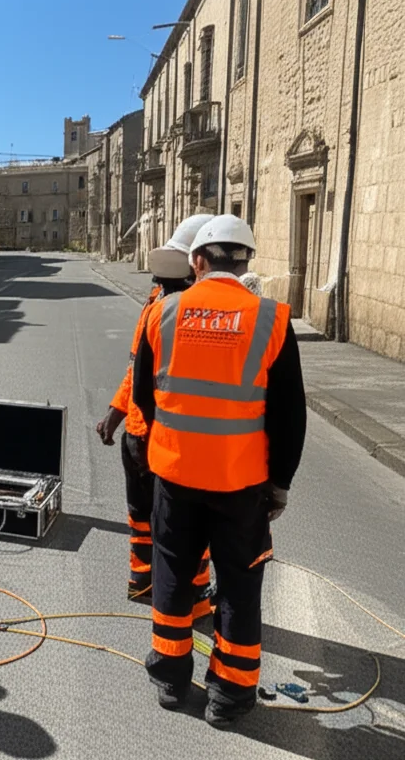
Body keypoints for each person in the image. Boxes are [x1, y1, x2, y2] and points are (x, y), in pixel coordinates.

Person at [131, 214, 307, 728]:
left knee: (173, 572)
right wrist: (280, 485)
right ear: (245, 261)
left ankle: (169, 674)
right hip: (241, 484)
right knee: (238, 584)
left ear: (197, 261)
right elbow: (289, 416)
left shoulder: (162, 313)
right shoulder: (273, 319)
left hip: (177, 477)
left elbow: (144, 395)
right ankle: (228, 695)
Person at [96, 214, 215, 615]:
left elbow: (136, 371)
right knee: (186, 525)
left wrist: (116, 414)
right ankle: (193, 596)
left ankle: (141, 581)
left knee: (141, 516)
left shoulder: (154, 302)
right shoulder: (193, 314)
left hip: (136, 434)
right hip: (166, 441)